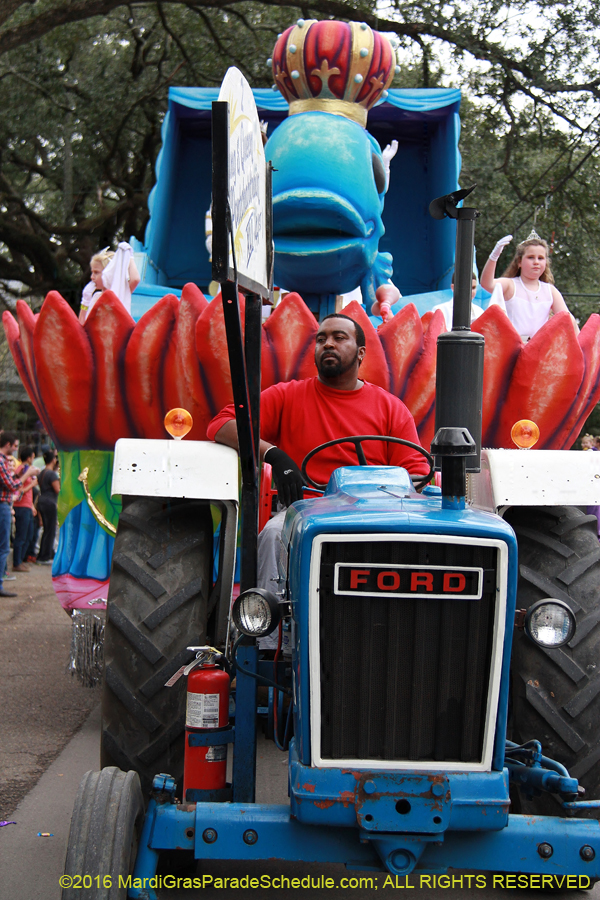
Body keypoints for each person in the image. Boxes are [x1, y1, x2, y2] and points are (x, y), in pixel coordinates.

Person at [208, 314, 429, 632]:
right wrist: (273, 454)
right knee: (273, 534)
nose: (328, 344)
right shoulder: (287, 395)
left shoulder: (391, 408)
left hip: (376, 514)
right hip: (304, 510)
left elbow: (416, 474)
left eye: (339, 337)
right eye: (321, 338)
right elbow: (222, 424)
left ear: (361, 353)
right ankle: (269, 640)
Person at [480, 230, 578, 340]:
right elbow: (487, 284)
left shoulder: (550, 291)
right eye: (531, 257)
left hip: (539, 347)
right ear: (519, 262)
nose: (536, 262)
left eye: (540, 258)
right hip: (513, 346)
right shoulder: (510, 285)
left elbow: (568, 319)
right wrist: (494, 256)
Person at [0, 432, 39, 596]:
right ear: (8, 445)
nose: (16, 449)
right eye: (15, 445)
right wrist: (28, 477)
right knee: (6, 545)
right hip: (8, 505)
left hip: (11, 505)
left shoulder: (7, 463)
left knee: (20, 538)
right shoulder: (4, 462)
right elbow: (14, 486)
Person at [79, 243, 140, 323]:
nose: (92, 277)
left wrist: (130, 257)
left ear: (108, 273)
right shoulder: (96, 297)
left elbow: (135, 279)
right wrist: (85, 302)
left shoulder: (120, 292)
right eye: (92, 272)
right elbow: (82, 326)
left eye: (96, 272)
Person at [12, 445, 38, 572]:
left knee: (29, 535)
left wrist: (32, 506)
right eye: (32, 456)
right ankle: (17, 562)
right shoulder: (22, 470)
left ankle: (20, 560)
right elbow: (18, 489)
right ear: (29, 458)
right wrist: (32, 484)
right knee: (21, 536)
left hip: (27, 506)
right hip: (21, 507)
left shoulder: (27, 470)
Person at [37, 451, 60, 564]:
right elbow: (57, 489)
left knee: (46, 530)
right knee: (50, 530)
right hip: (50, 502)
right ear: (53, 460)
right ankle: (46, 556)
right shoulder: (52, 474)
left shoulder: (42, 473)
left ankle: (42, 554)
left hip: (42, 500)